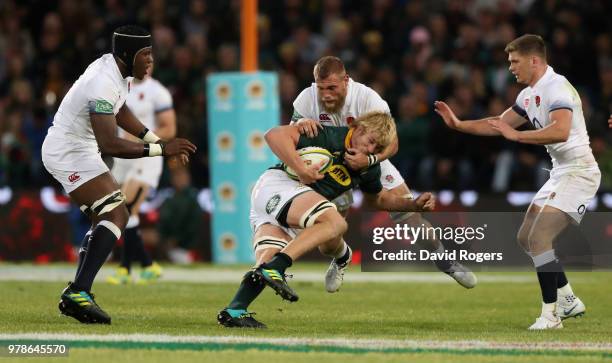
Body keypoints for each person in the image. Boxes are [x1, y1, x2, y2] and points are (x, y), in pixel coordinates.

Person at [435, 34, 600, 330]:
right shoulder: (528, 95)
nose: (510, 67)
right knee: (526, 238)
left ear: (534, 60)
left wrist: (519, 136)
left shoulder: (556, 87)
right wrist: (459, 124)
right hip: (560, 171)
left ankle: (550, 317)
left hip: (579, 171)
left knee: (540, 239)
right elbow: (498, 124)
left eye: (514, 61)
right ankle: (567, 297)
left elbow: (561, 131)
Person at [217, 111, 436, 328]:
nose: (370, 150)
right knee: (335, 223)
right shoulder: (328, 135)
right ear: (358, 128)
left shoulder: (368, 167)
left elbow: (377, 199)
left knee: (266, 261)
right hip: (279, 186)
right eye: (370, 141)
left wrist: (412, 204)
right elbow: (274, 135)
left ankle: (235, 310)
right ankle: (279, 267)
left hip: (288, 204)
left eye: (377, 148)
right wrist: (301, 168)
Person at [41, 25, 196, 324]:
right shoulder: (102, 82)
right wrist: (162, 150)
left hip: (81, 148)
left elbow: (120, 109)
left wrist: (153, 139)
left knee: (111, 216)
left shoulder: (115, 72)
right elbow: (109, 143)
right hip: (68, 151)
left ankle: (78, 292)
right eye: (146, 54)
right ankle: (78, 292)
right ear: (127, 55)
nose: (151, 61)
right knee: (116, 216)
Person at [291, 56, 476, 292]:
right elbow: (291, 135)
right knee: (327, 241)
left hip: (372, 158)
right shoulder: (306, 99)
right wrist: (301, 125)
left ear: (346, 81)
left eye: (332, 88)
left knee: (412, 220)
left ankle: (445, 260)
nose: (325, 95)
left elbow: (393, 143)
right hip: (332, 167)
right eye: (321, 88)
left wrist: (368, 159)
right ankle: (340, 258)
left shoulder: (368, 98)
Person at [107, 66, 176, 285]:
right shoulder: (118, 88)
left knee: (126, 208)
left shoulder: (158, 92)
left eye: (150, 59)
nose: (147, 63)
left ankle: (125, 269)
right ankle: (147, 265)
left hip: (147, 158)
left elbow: (169, 128)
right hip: (122, 157)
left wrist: (141, 138)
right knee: (120, 211)